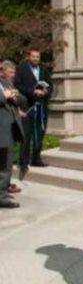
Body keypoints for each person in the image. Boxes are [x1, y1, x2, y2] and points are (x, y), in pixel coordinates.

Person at [14, 48, 53, 169]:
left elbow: (50, 86)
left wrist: (46, 91)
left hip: (41, 107)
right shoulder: (21, 69)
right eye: (34, 56)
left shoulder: (43, 70)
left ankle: (36, 158)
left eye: (38, 57)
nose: (36, 59)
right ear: (29, 57)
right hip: (28, 106)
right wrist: (32, 91)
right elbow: (17, 86)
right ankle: (23, 161)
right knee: (27, 134)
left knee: (40, 132)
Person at [0, 60, 25, 208]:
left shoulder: (6, 83)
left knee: (6, 162)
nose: (12, 75)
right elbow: (4, 97)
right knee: (3, 164)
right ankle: (2, 197)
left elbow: (19, 98)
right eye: (10, 72)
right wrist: (5, 96)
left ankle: (2, 192)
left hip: (8, 129)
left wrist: (14, 96)